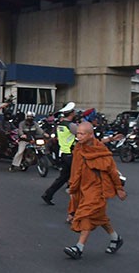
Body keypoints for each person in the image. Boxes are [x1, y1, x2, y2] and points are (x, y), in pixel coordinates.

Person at [63, 122, 127, 260]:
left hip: (98, 189)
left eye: (82, 134)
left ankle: (79, 248)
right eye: (78, 133)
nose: (78, 136)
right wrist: (73, 186)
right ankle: (116, 238)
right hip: (83, 188)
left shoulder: (100, 150)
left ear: (90, 134)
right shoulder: (79, 148)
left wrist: (119, 188)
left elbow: (112, 170)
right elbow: (75, 169)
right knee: (99, 217)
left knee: (86, 215)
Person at [41, 102, 77, 205]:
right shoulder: (71, 125)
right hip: (71, 154)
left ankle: (48, 195)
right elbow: (83, 134)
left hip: (63, 153)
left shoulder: (60, 125)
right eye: (74, 112)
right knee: (79, 176)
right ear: (71, 113)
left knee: (62, 178)